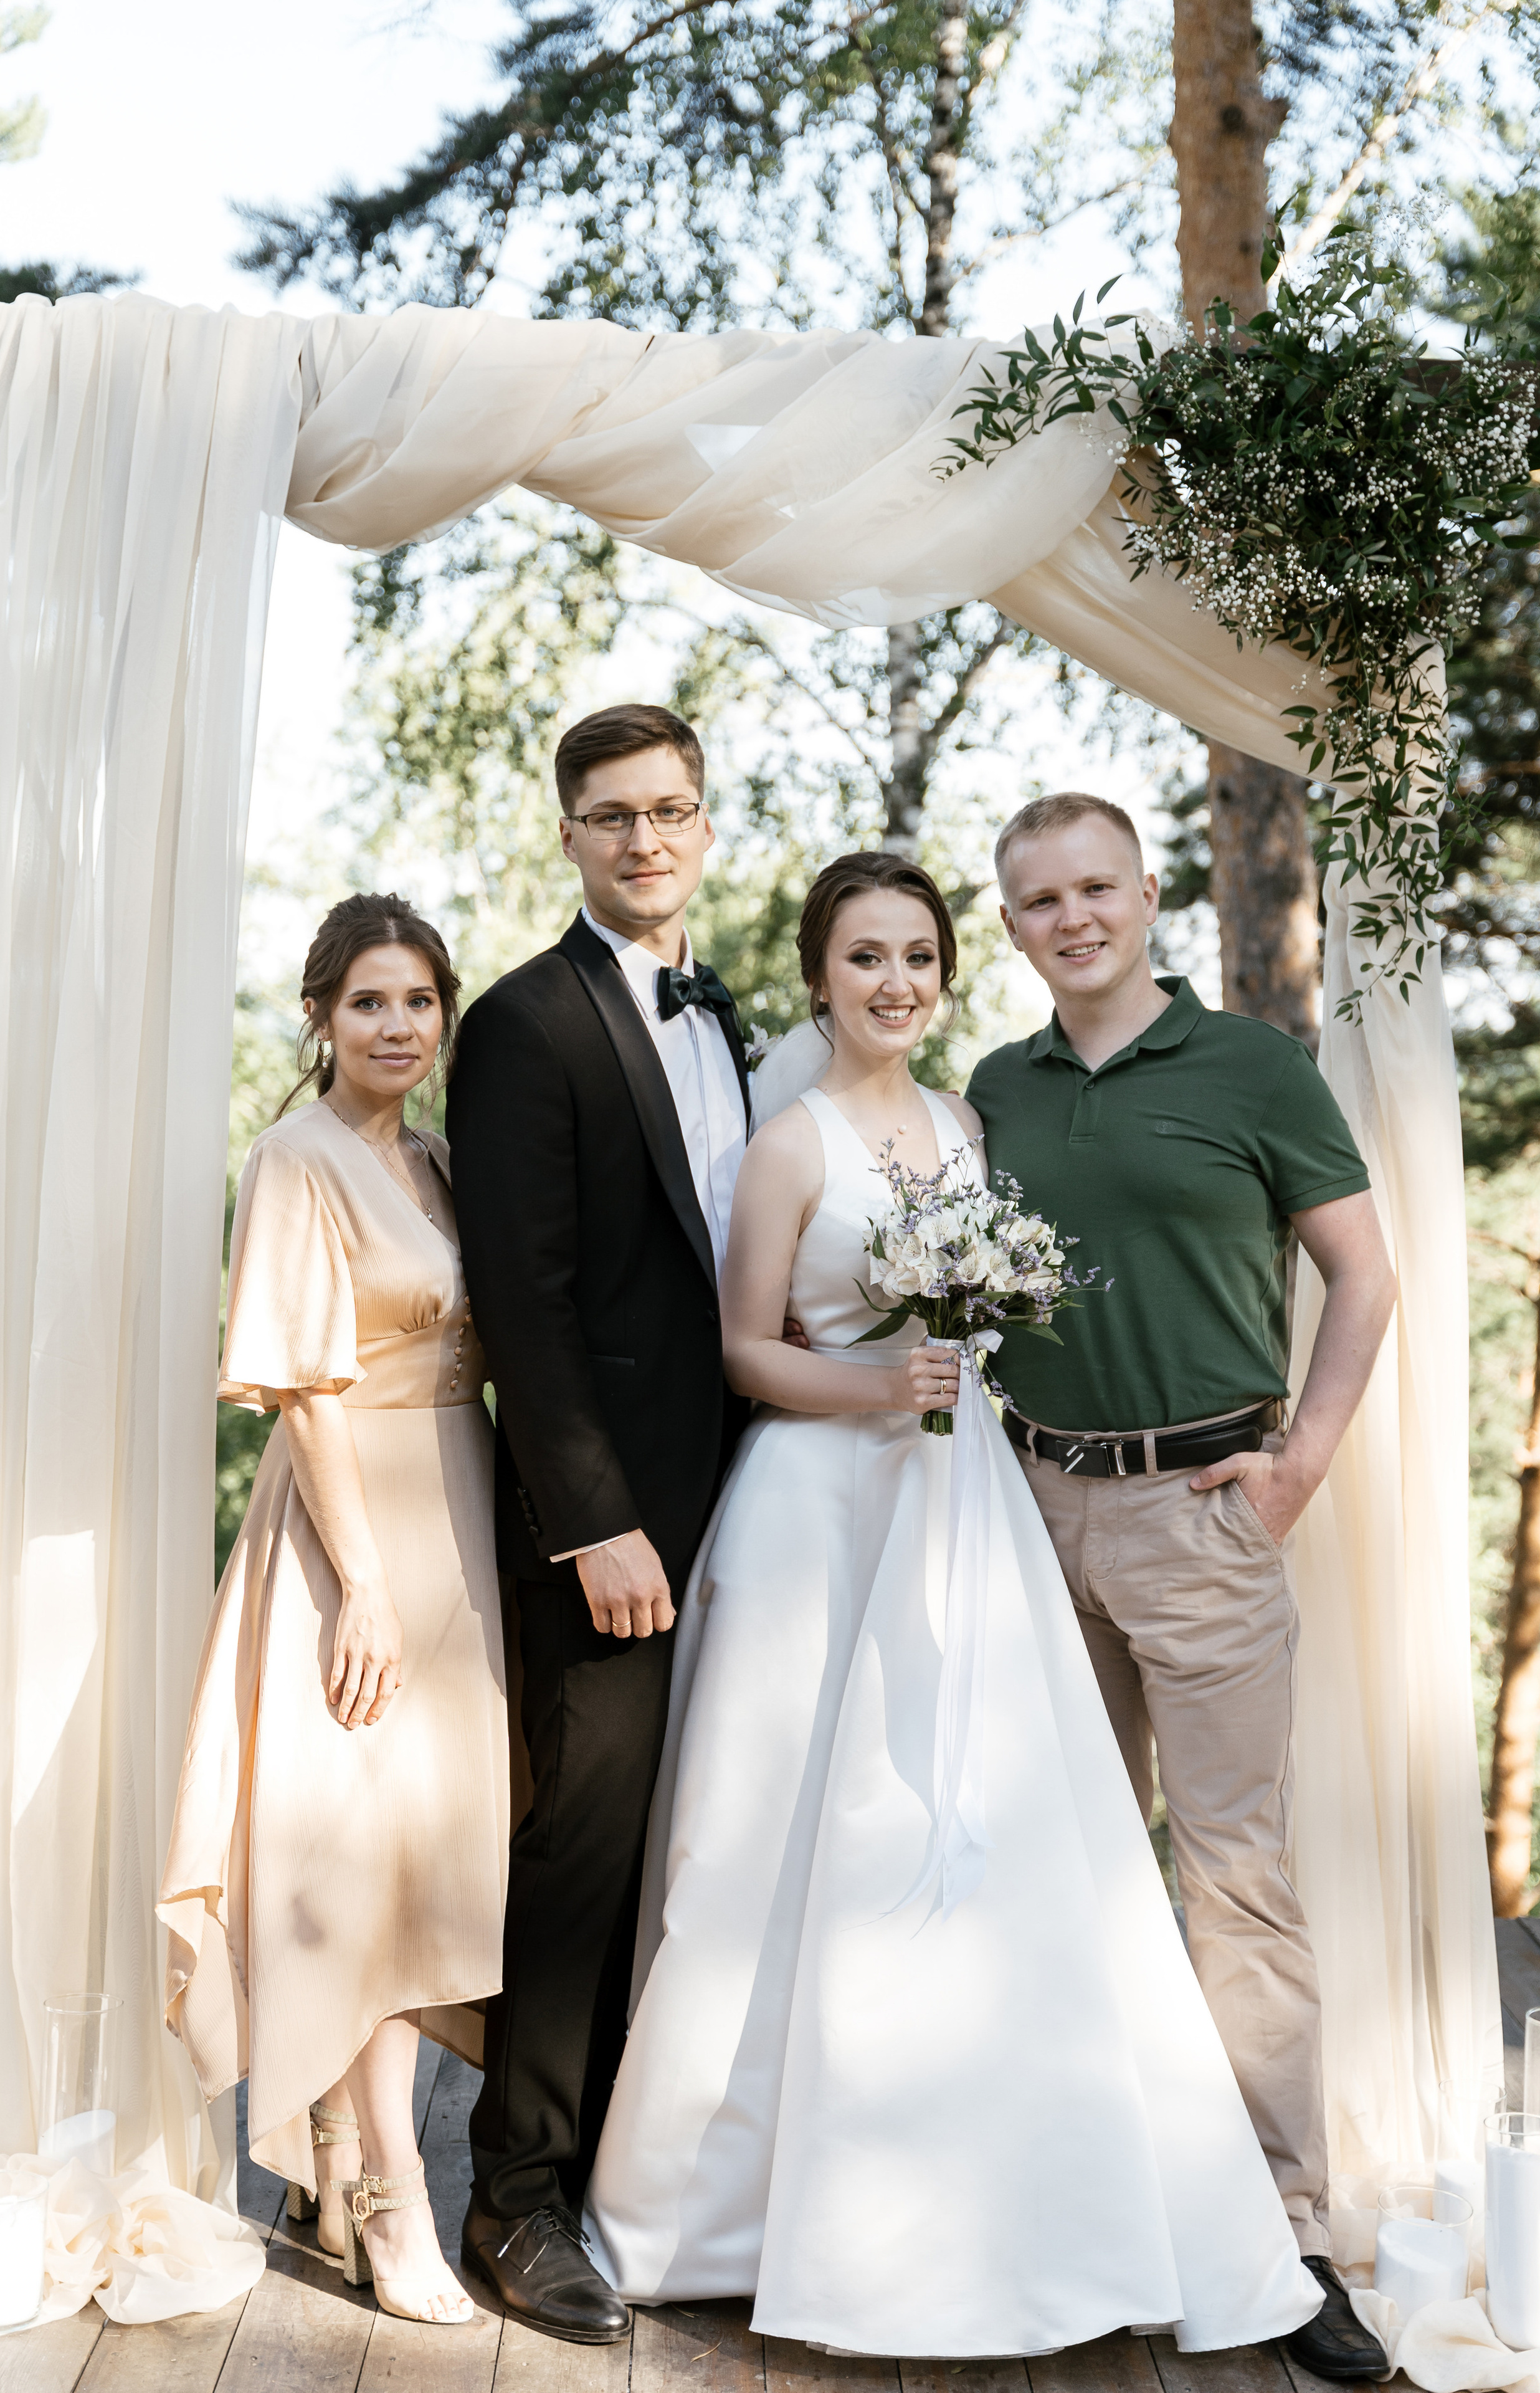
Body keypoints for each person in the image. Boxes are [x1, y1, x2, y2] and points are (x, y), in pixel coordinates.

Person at [579, 851, 1324, 2361]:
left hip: (961, 1499)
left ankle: (1033, 2195)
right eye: (864, 959)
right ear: (818, 977)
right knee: (776, 1839)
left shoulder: (972, 1122)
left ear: (942, 971)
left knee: (986, 1828)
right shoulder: (789, 1147)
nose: (894, 985)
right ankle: (723, 2213)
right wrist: (874, 1383)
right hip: (817, 1513)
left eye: (915, 957)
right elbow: (740, 1351)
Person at [967, 792, 1398, 2382]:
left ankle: (1285, 2237)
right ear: (1006, 922)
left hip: (1200, 1511)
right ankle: (1087, 2209)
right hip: (1028, 1511)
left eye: (1093, 888)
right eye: (1036, 900)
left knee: (1232, 1882)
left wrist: (1300, 1466)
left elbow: (1362, 1272)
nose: (1070, 918)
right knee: (1061, 1879)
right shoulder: (993, 1090)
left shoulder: (1249, 1069)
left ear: (1144, 893)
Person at [445, 703, 753, 2345]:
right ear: (567, 833)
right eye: (614, 815)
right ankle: (517, 2198)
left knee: (697, 1843)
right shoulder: (524, 1022)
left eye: (674, 811)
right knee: (583, 1847)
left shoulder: (733, 1019)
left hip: (752, 1505)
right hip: (612, 1524)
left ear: (708, 826)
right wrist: (594, 1524)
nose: (647, 840)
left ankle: (650, 2169)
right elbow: (527, 1304)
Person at [159, 892, 510, 2329]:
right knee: (360, 1863)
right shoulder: (294, 1160)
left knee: (431, 1863)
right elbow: (302, 1389)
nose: (397, 1026)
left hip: (461, 1512)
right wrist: (359, 1588)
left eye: (419, 1001)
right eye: (368, 1001)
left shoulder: (434, 1160)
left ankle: (334, 2146)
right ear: (319, 1014)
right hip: (352, 1531)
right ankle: (389, 2195)